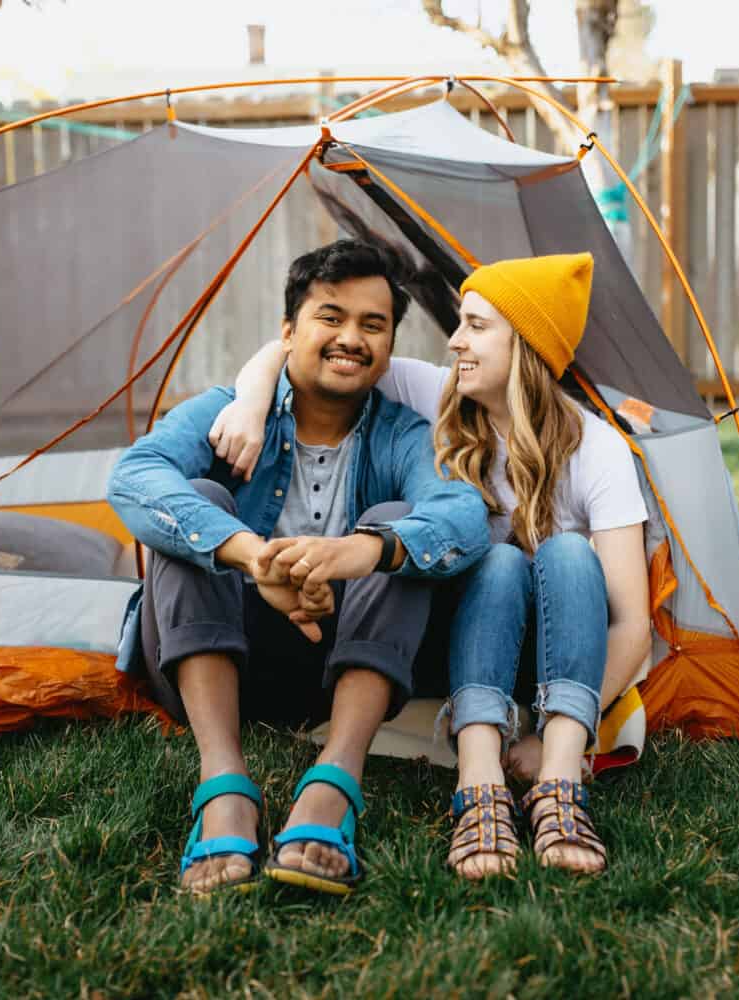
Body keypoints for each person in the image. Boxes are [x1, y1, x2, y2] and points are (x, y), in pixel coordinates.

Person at [213, 252, 652, 879]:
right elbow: (302, 349)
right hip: (462, 647)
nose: (455, 341)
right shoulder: (436, 393)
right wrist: (252, 401)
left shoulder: (598, 450)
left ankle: (559, 780)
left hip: (557, 664)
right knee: (498, 559)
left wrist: (554, 738)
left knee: (567, 552)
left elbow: (632, 623)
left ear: (524, 343)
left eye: (476, 326)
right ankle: (479, 787)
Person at [108, 239, 489, 896]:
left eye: (373, 325)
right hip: (220, 656)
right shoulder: (230, 412)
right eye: (331, 318)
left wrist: (363, 550)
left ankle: (335, 780)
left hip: (338, 666)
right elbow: (132, 478)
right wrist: (252, 557)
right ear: (288, 332)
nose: (351, 338)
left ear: (390, 345)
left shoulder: (402, 433)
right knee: (195, 504)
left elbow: (463, 516)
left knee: (400, 521)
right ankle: (223, 782)